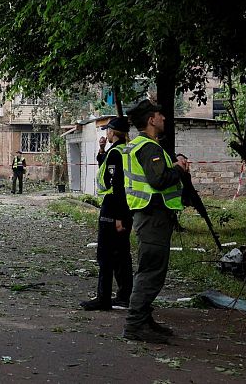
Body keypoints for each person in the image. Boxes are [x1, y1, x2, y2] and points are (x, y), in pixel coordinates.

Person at [121, 100, 188, 344]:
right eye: (160, 115)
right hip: (153, 217)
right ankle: (135, 325)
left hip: (147, 216)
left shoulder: (138, 145)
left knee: (148, 269)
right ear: (151, 119)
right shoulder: (149, 148)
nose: (164, 119)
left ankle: (144, 320)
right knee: (150, 273)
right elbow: (159, 181)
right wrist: (179, 169)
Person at [80, 117, 133, 311]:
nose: (106, 134)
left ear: (113, 131)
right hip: (123, 207)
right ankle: (124, 296)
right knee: (121, 255)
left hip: (113, 207)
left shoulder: (116, 153)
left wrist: (118, 216)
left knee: (105, 255)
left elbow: (117, 183)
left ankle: (103, 298)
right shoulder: (122, 151)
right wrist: (102, 149)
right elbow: (106, 166)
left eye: (107, 131)